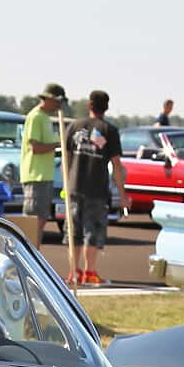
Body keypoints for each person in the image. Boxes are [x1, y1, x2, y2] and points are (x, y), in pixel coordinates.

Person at [65, 89, 124, 287]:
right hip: (96, 190)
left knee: (74, 231)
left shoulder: (74, 127)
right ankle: (88, 272)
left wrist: (66, 183)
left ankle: (75, 272)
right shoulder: (109, 130)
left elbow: (64, 158)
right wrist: (122, 194)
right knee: (92, 231)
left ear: (89, 105)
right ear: (106, 107)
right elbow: (117, 165)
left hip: (74, 188)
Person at [19, 82, 64, 245]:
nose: (59, 105)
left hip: (45, 175)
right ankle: (28, 257)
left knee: (42, 220)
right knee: (33, 222)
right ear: (49, 99)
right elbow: (35, 147)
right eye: (58, 101)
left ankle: (35, 253)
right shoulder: (35, 116)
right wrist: (59, 144)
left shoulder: (45, 118)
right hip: (35, 175)